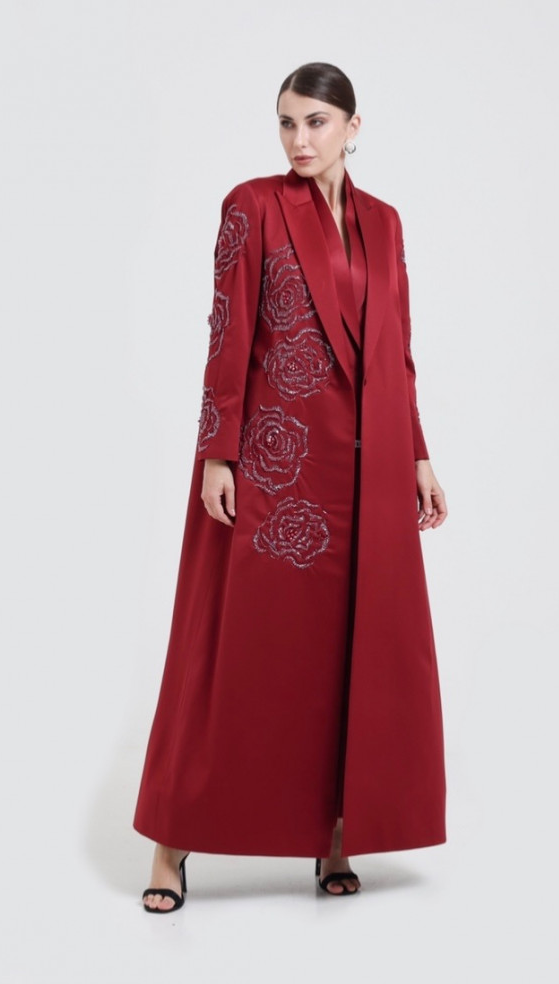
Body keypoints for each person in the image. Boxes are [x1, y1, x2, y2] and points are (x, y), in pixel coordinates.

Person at [134, 62, 448, 913]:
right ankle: (171, 842)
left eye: (315, 122)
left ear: (353, 127)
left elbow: (396, 351)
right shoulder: (253, 206)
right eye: (286, 123)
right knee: (231, 653)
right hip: (278, 470)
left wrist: (417, 455)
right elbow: (228, 331)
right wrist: (218, 453)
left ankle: (334, 835)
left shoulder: (385, 223)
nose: (298, 140)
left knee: (351, 656)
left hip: (369, 467)